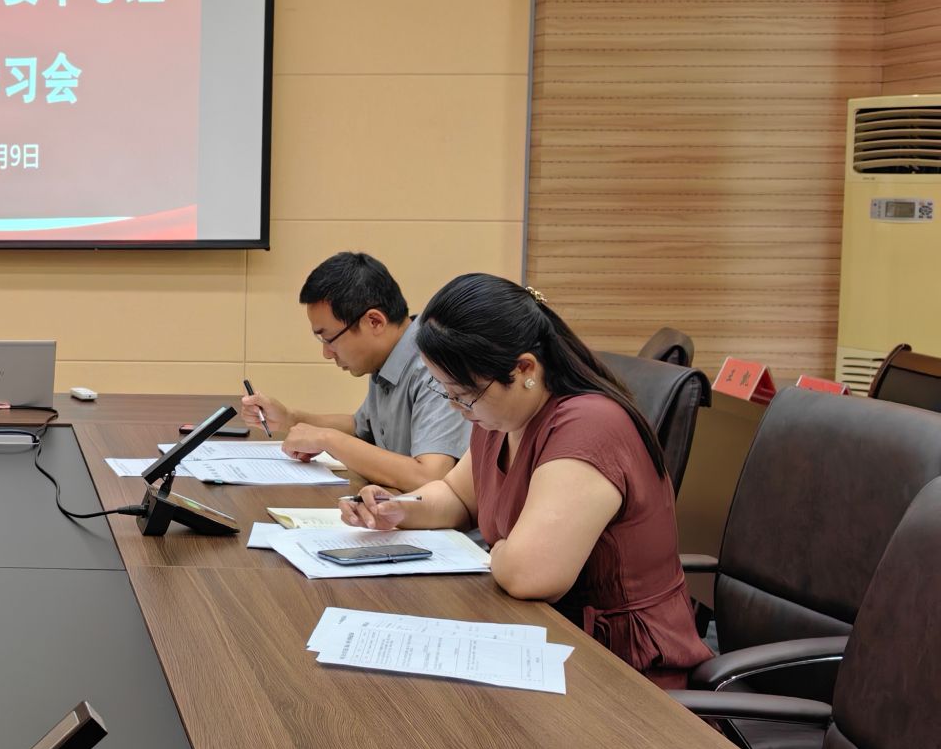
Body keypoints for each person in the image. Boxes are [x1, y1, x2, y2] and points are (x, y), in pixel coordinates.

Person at [341, 274, 712, 687]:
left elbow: (529, 575)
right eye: (448, 394)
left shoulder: (589, 425)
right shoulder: (501, 415)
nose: (459, 409)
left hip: (622, 670)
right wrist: (398, 508)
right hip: (543, 639)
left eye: (464, 394)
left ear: (524, 369)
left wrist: (499, 550)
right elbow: (456, 495)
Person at [239, 252, 469, 491]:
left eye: (329, 339)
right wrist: (289, 418)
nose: (327, 353)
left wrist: (327, 439)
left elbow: (429, 476)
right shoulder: (387, 357)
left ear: (374, 322)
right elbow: (361, 428)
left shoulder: (433, 365)